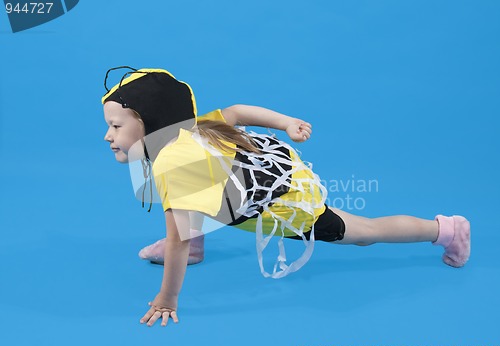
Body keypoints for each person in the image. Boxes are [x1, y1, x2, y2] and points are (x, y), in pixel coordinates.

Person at [101, 67, 471, 328]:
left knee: (363, 232)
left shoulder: (175, 167)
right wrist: (285, 121)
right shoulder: (185, 132)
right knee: (190, 203)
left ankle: (446, 230)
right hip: (243, 181)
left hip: (288, 205)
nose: (108, 136)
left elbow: (177, 238)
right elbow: (236, 111)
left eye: (116, 126)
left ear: (154, 126)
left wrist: (168, 298)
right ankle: (202, 247)